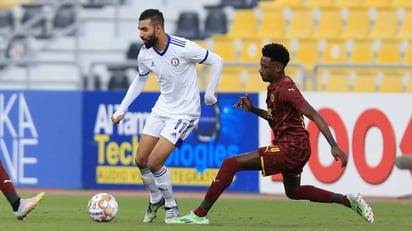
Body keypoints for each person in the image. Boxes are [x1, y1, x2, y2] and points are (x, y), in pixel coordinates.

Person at [170, 43, 374, 225]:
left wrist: (333, 145)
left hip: (291, 148)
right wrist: (253, 110)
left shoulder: (286, 89)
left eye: (265, 67)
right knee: (293, 192)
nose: (260, 70)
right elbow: (276, 119)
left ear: (278, 67)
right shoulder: (275, 87)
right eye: (260, 65)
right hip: (297, 147)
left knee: (230, 164)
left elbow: (314, 114)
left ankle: (199, 214)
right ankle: (348, 200)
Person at [111, 9, 223, 223]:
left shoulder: (183, 47)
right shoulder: (145, 54)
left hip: (185, 113)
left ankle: (171, 206)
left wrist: (209, 94)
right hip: (162, 109)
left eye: (144, 29)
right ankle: (155, 199)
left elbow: (216, 61)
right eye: (139, 29)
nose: (141, 34)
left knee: (154, 162)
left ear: (158, 28)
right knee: (140, 160)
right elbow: (140, 80)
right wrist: (122, 108)